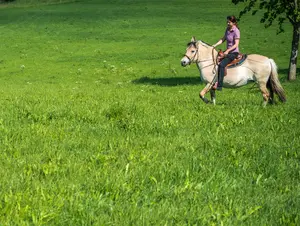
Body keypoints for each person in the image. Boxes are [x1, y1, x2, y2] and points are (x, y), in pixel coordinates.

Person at [212, 15, 240, 91]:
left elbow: (236, 44)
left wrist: (228, 51)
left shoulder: (236, 31)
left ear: (233, 22)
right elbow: (223, 39)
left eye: (229, 22)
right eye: (227, 22)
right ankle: (214, 79)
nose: (227, 23)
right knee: (216, 60)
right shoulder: (227, 29)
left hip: (234, 53)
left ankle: (219, 85)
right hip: (227, 52)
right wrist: (215, 45)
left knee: (222, 64)